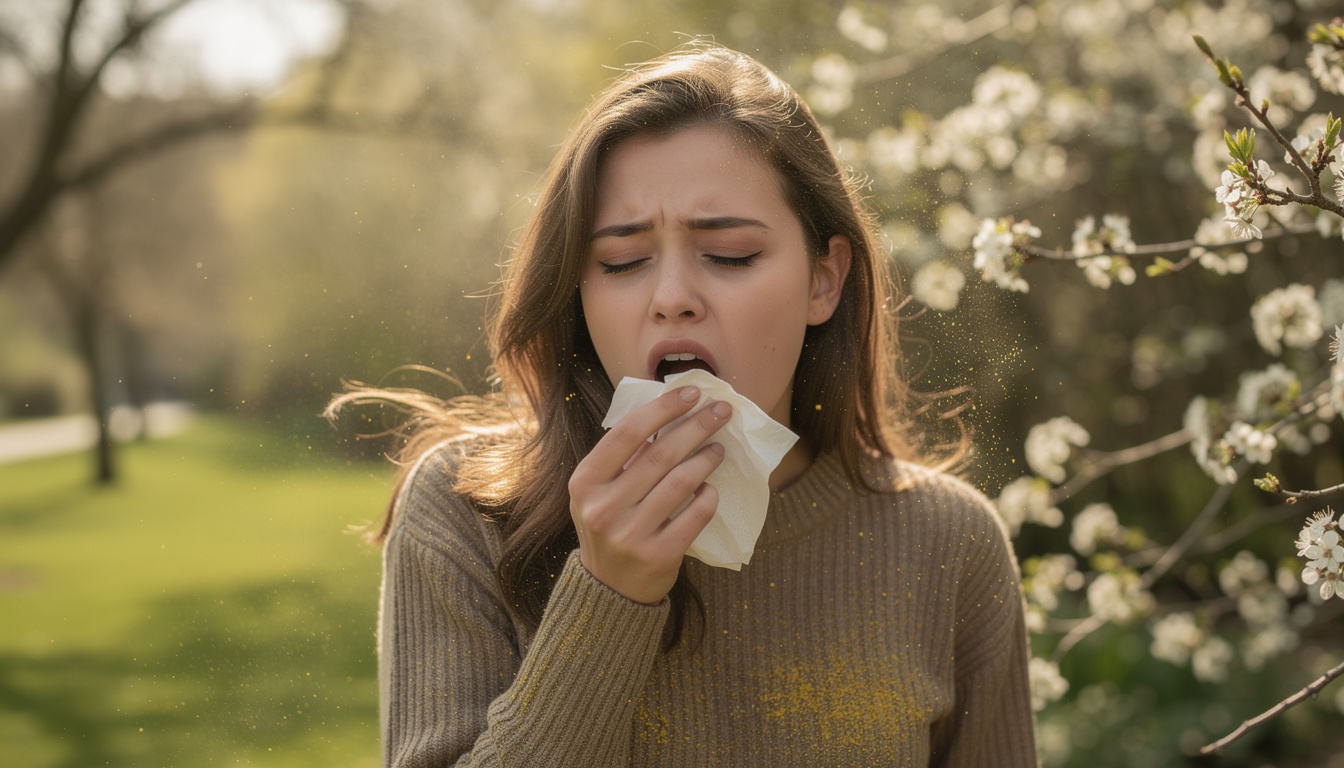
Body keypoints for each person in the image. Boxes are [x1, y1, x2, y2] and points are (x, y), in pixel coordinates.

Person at [329, 42, 1038, 767]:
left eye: (728, 254)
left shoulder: (950, 546)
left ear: (823, 281)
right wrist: (608, 597)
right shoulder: (465, 514)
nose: (671, 299)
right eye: (622, 262)